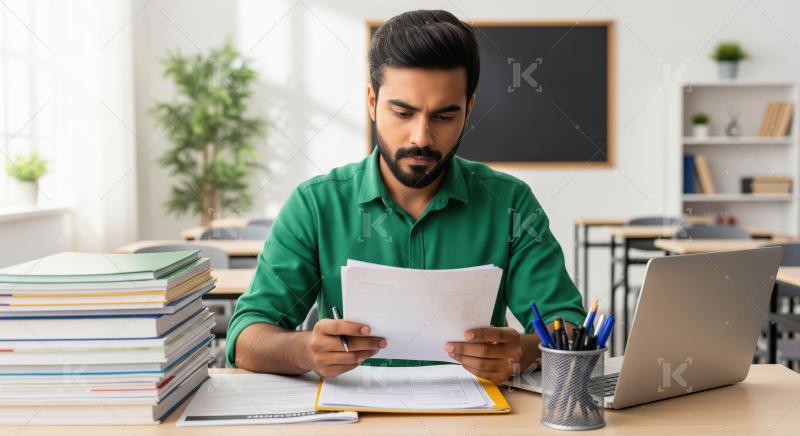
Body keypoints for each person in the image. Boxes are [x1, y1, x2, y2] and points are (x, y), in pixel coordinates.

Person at [226, 9, 584, 383]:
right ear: (371, 102)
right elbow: (245, 337)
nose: (421, 138)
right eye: (402, 112)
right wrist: (305, 351)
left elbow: (570, 326)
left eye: (444, 117)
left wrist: (522, 352)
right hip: (354, 420)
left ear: (469, 110)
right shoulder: (315, 205)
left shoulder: (510, 203)